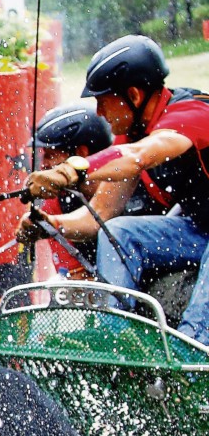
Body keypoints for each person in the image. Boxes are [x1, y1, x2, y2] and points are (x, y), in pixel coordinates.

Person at [24, 34, 209, 344]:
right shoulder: (132, 135)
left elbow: (140, 156)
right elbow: (100, 215)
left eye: (102, 100)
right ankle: (116, 339)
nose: (99, 112)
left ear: (133, 95)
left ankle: (193, 346)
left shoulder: (192, 114)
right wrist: (50, 225)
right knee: (120, 231)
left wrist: (71, 170)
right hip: (199, 230)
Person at [15, 102, 116, 280]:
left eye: (50, 155)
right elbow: (75, 280)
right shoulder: (56, 205)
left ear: (80, 154)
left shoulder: (128, 190)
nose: (44, 165)